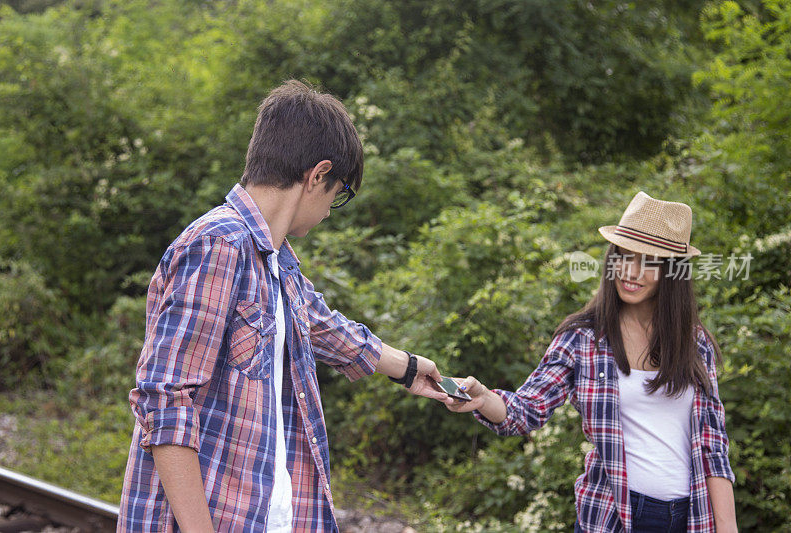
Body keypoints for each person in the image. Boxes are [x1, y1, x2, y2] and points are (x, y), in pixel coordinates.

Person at [117, 80, 447, 532]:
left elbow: (322, 327)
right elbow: (165, 401)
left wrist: (409, 369)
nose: (333, 208)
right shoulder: (219, 245)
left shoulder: (275, 260)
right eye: (339, 192)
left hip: (265, 513)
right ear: (317, 175)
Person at [444, 192, 737, 532]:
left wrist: (727, 527)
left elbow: (713, 447)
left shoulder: (692, 341)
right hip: (613, 516)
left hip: (691, 517)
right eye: (624, 256)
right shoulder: (584, 338)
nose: (631, 271)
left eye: (649, 262)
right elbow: (527, 409)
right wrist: (484, 399)